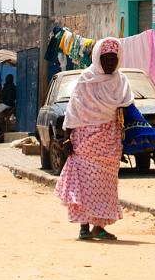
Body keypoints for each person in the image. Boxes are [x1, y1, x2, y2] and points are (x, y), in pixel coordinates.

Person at [54, 37, 130, 241]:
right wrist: (67, 137)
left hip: (109, 142)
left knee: (106, 186)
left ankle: (100, 227)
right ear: (97, 57)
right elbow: (73, 110)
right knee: (85, 185)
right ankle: (84, 227)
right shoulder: (86, 79)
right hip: (85, 141)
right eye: (106, 58)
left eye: (114, 58)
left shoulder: (121, 80)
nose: (110, 63)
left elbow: (126, 105)